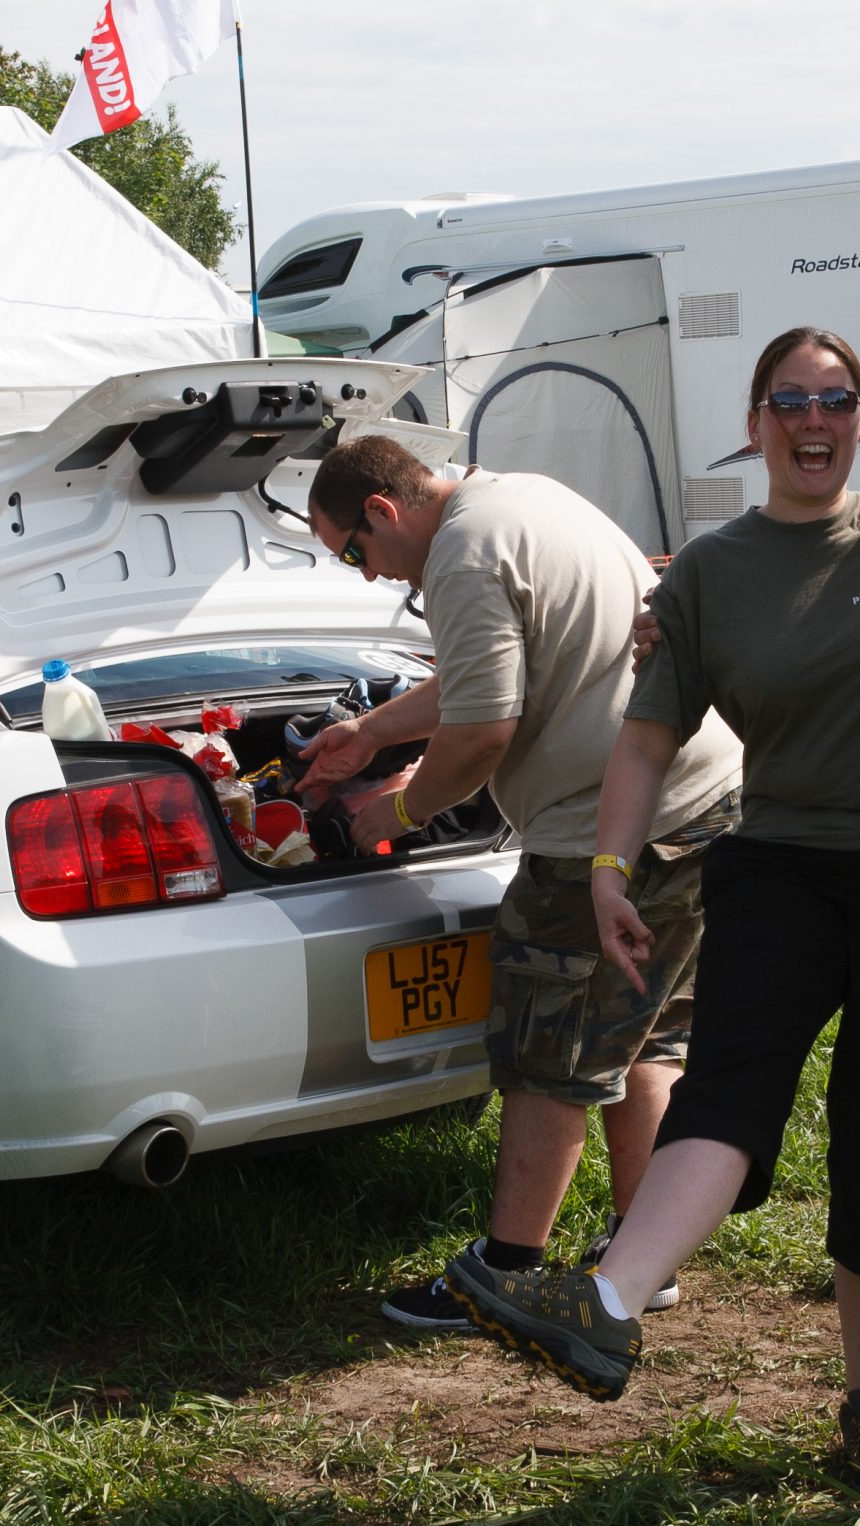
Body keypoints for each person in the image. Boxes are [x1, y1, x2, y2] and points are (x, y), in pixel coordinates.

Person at [445, 328, 860, 1498]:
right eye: (789, 400)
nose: (813, 420)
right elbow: (645, 739)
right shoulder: (708, 571)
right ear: (755, 422)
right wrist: (606, 869)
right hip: (775, 859)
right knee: (728, 1081)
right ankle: (607, 1305)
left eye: (835, 399)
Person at [299, 435, 742, 1331]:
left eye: (353, 552)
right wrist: (374, 733)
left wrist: (404, 810)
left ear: (382, 512)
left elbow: (483, 730)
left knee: (549, 1057)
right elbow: (495, 676)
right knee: (643, 1032)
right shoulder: (520, 498)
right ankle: (640, 1257)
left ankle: (505, 1273)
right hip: (702, 801)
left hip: (606, 833)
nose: (365, 575)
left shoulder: (462, 552)